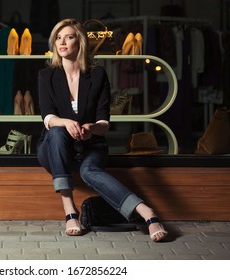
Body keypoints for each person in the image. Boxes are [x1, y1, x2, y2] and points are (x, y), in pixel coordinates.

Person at [36, 18, 168, 241]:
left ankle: (147, 213)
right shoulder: (46, 75)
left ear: (80, 42)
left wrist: (91, 128)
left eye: (69, 37)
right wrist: (66, 122)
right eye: (58, 38)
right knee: (57, 131)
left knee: (89, 171)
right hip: (55, 150)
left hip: (90, 145)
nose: (62, 42)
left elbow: (104, 122)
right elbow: (47, 117)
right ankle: (69, 209)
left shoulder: (97, 75)